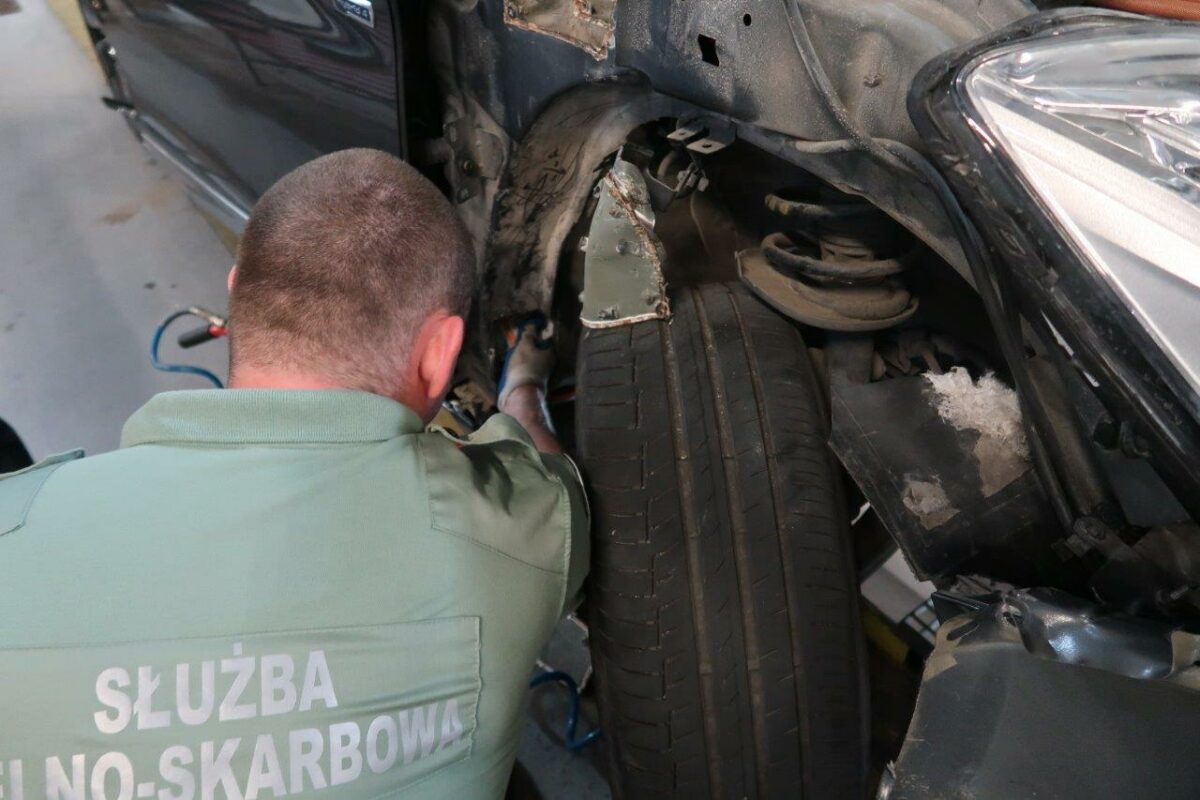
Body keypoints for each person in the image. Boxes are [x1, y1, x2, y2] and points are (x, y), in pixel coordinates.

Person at [0, 149, 588, 800]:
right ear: (441, 351)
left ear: (233, 295)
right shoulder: (519, 529)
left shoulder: (13, 526)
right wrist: (522, 391)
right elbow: (555, 482)